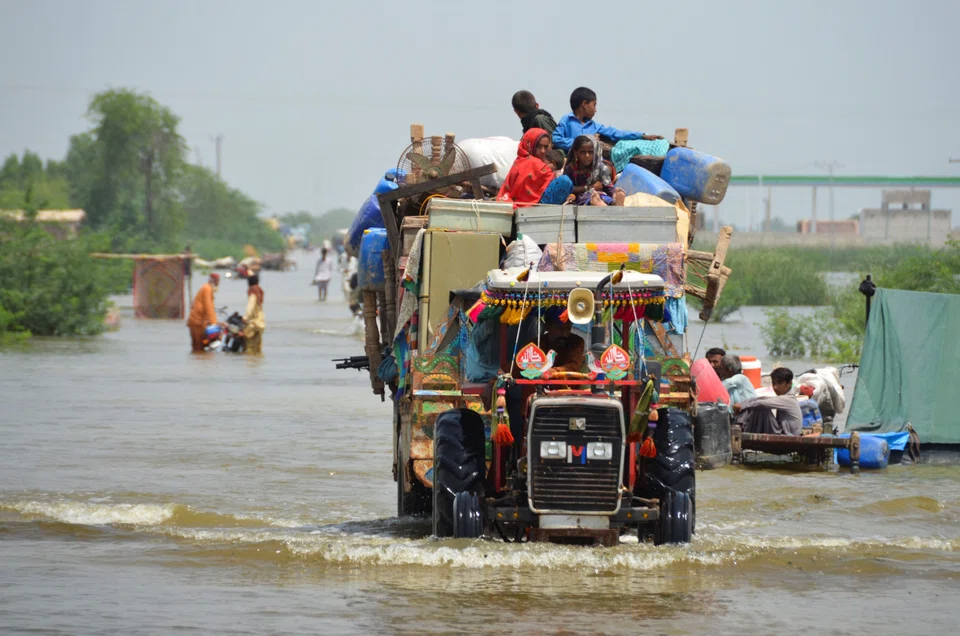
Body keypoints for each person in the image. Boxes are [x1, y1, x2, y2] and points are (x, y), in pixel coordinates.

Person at [552, 87, 661, 152]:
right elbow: (556, 139)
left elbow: (616, 133)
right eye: (594, 105)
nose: (595, 110)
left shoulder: (594, 126)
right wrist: (586, 140)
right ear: (584, 104)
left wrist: (641, 135)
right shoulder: (566, 120)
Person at [733, 367, 802, 436]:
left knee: (761, 408)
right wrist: (743, 404)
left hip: (788, 436)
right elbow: (763, 399)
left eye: (779, 383)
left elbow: (762, 403)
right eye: (774, 383)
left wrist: (742, 406)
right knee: (757, 403)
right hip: (782, 432)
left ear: (789, 383)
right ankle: (739, 425)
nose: (775, 387)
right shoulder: (785, 398)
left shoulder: (789, 400)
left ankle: (740, 428)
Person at [497, 128, 557, 206]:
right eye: (539, 146)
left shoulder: (519, 161)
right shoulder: (535, 164)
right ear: (529, 144)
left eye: (545, 147)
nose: (542, 151)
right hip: (527, 210)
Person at [563, 135, 626, 206]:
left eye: (590, 152)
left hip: (599, 195)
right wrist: (588, 188)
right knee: (587, 197)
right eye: (583, 152)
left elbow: (608, 186)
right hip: (578, 197)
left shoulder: (600, 167)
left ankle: (615, 203)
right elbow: (566, 188)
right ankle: (596, 202)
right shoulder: (570, 168)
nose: (587, 155)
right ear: (576, 152)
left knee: (604, 197)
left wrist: (613, 193)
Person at [186, 273, 219, 352]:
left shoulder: (205, 288)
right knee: (199, 348)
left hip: (196, 321)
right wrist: (214, 323)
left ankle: (198, 363)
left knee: (197, 349)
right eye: (217, 281)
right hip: (198, 322)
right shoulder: (207, 289)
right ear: (214, 281)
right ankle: (201, 363)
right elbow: (209, 307)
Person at [243, 274, 265, 355]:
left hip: (253, 324)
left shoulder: (253, 293)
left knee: (249, 347)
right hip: (261, 324)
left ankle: (251, 365)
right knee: (258, 348)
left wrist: (245, 318)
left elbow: (250, 307)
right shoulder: (259, 291)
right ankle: (258, 364)